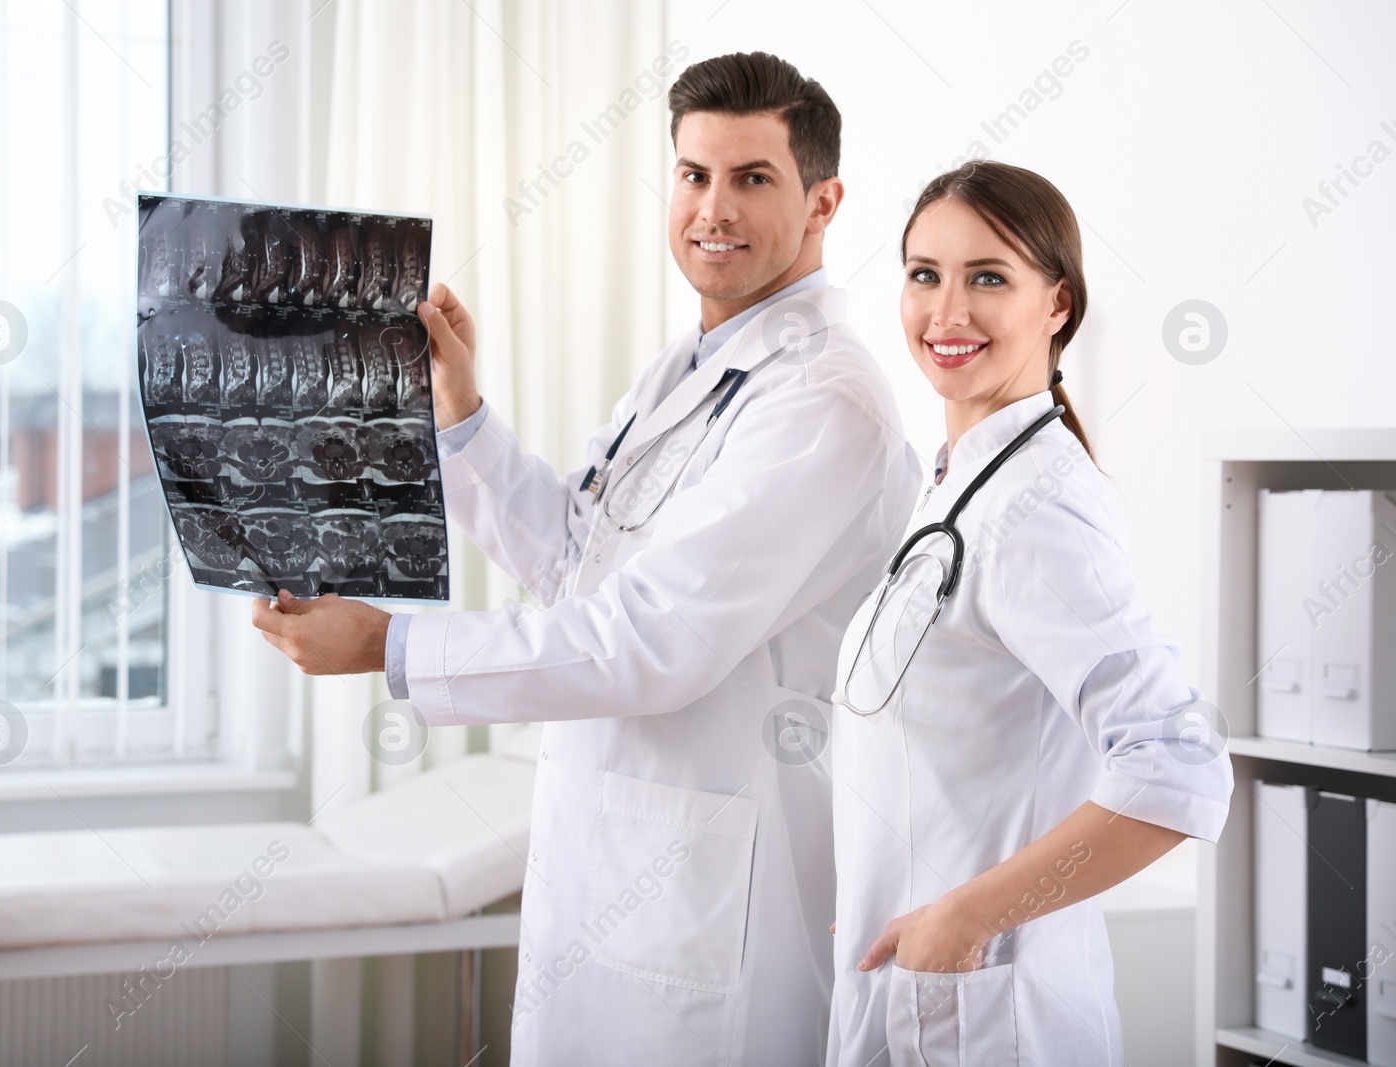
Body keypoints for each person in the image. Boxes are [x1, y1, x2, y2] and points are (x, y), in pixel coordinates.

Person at [251, 52, 919, 1065]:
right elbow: (578, 562)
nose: (712, 209)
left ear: (824, 201)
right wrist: (460, 413)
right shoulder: (685, 368)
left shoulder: (823, 401)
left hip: (719, 897)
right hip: (623, 865)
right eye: (693, 175)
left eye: (751, 178)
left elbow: (648, 640)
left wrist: (392, 646)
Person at [826, 160, 1233, 1065]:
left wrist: (965, 915)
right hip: (921, 984)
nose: (947, 312)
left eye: (988, 278)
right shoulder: (961, 482)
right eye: (924, 273)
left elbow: (1180, 766)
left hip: (988, 1016)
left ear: (1057, 304)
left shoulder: (1039, 509)